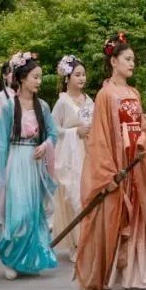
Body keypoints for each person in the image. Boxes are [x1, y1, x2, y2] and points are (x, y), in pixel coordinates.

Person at [74, 33, 146, 290]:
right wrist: (108, 173)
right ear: (113, 61)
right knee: (117, 218)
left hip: (136, 164)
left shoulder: (133, 93)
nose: (132, 63)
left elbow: (142, 127)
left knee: (138, 217)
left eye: (133, 59)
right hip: (118, 166)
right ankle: (126, 280)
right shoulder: (106, 95)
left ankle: (136, 277)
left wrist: (142, 143)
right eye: (127, 59)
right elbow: (100, 138)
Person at [0, 52, 59, 280]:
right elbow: (0, 142)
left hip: (35, 164)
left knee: (32, 213)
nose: (39, 81)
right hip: (15, 161)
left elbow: (53, 134)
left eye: (40, 77)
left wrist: (45, 145)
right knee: (17, 214)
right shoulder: (10, 107)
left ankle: (29, 260)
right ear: (22, 78)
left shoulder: (43, 106)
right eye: (35, 77)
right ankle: (11, 258)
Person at [51, 55, 93, 262]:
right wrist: (74, 131)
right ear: (67, 78)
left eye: (83, 74)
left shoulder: (89, 100)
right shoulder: (62, 102)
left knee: (88, 195)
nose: (81, 78)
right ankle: (75, 244)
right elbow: (53, 128)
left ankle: (88, 241)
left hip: (89, 151)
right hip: (70, 153)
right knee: (73, 195)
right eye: (77, 74)